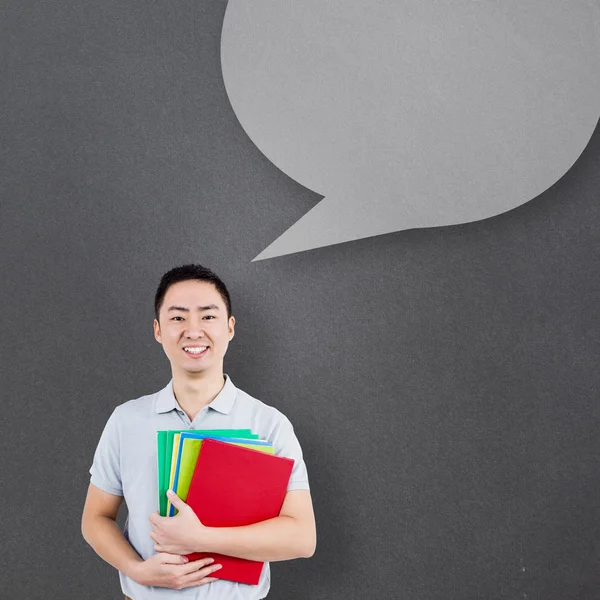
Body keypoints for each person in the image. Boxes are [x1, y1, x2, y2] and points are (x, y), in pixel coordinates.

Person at [81, 264, 316, 600]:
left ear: (230, 327)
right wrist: (136, 569)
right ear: (158, 330)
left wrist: (200, 538)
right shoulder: (126, 420)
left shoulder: (268, 424)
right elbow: (95, 518)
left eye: (208, 316)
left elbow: (302, 538)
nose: (193, 330)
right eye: (177, 317)